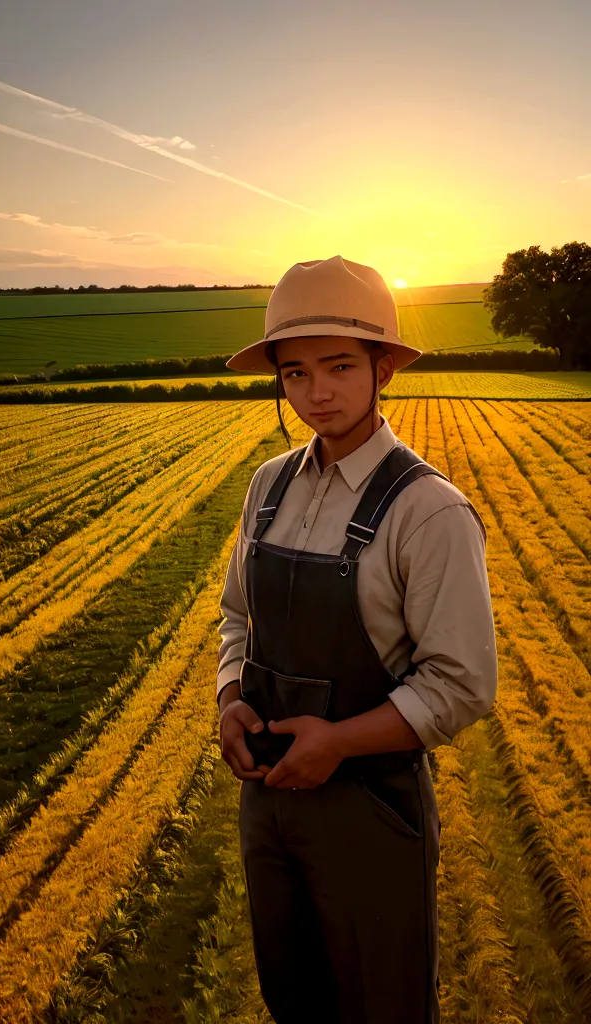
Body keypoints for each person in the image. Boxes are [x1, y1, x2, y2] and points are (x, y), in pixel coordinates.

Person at [216, 255, 498, 1024]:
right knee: (293, 997)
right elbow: (238, 615)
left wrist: (337, 742)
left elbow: (461, 682)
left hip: (371, 810)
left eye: (340, 367)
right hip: (267, 803)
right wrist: (230, 698)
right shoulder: (266, 485)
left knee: (382, 1005)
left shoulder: (429, 511)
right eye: (296, 373)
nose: (318, 394)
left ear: (385, 369)